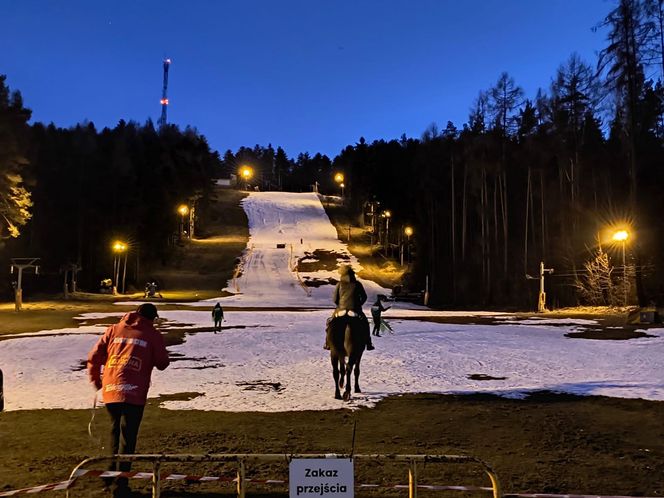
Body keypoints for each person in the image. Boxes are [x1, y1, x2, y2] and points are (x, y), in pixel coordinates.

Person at [87, 303, 170, 498]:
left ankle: (109, 476)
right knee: (128, 437)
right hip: (133, 392)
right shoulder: (152, 334)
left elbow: (94, 356)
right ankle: (120, 483)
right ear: (152, 318)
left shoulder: (114, 329)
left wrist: (96, 380)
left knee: (116, 431)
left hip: (111, 390)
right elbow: (163, 363)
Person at [324, 265, 374, 351]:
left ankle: (327, 343)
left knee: (330, 323)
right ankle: (368, 343)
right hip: (355, 310)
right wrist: (358, 305)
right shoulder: (357, 284)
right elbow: (364, 297)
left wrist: (340, 306)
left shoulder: (339, 284)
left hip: (341, 310)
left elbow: (335, 299)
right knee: (365, 324)